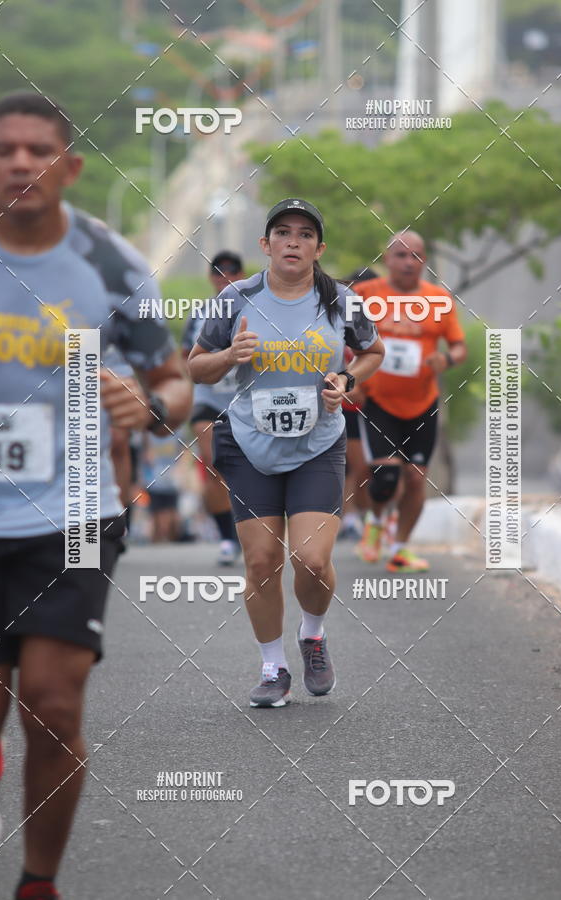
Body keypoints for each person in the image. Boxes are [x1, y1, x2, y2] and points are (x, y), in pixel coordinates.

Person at [0, 92, 191, 899]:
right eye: (2, 148)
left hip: (74, 512)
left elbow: (175, 385)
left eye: (36, 149)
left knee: (50, 707)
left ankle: (39, 882)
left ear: (68, 167)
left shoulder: (111, 266)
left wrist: (144, 407)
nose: (17, 163)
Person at [188, 198, 384, 708]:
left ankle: (312, 635)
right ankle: (273, 668)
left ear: (319, 248)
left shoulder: (342, 302)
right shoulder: (235, 299)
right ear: (266, 244)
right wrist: (229, 355)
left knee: (312, 561)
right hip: (248, 443)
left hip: (317, 444)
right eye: (282, 232)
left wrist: (347, 378)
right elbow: (195, 367)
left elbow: (374, 351)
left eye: (303, 234)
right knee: (260, 561)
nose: (292, 242)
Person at [354, 231, 467, 572]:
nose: (408, 262)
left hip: (422, 402)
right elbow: (338, 339)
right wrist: (350, 377)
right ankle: (375, 523)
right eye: (401, 255)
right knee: (386, 478)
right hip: (378, 401)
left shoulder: (438, 299)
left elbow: (459, 347)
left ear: (424, 261)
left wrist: (446, 360)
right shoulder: (364, 295)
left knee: (416, 479)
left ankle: (400, 548)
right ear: (387, 259)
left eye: (415, 255)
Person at [182, 252, 245, 565]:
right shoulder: (199, 314)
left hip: (245, 402)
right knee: (215, 463)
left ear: (241, 275)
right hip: (209, 400)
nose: (225, 277)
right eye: (219, 272)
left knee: (249, 470)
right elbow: (185, 358)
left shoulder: (254, 308)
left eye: (232, 272)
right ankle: (225, 538)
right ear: (211, 277)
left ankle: (250, 529)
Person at [338, 269, 378, 539]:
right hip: (347, 406)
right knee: (351, 465)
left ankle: (370, 516)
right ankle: (351, 517)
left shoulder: (382, 322)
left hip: (377, 406)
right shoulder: (338, 322)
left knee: (370, 467)